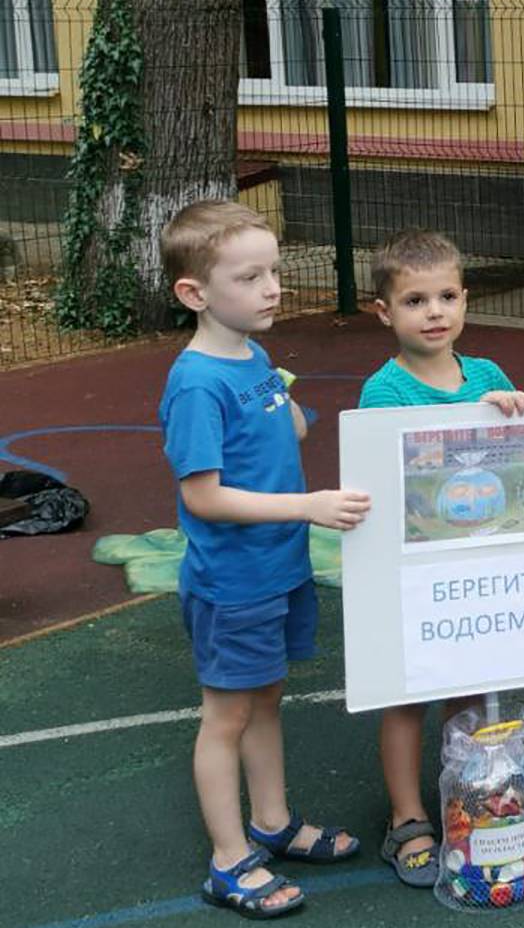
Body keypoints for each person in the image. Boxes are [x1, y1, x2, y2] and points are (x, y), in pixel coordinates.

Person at [158, 200, 369, 919]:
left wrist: (291, 417)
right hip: (235, 581)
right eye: (250, 277)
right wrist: (307, 508)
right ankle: (227, 860)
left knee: (267, 697)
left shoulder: (249, 356)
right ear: (195, 293)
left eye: (273, 271)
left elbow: (273, 435)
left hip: (277, 568)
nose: (272, 288)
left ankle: (271, 823)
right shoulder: (195, 383)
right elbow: (206, 496)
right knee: (226, 716)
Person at [354, 229, 524, 888]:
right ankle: (407, 818)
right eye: (415, 300)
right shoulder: (385, 391)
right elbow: (393, 475)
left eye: (447, 296)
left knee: (469, 690)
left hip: (479, 574)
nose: (435, 312)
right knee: (406, 695)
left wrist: (513, 412)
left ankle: (466, 796)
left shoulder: (487, 376)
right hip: (415, 571)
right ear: (385, 312)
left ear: (465, 300)